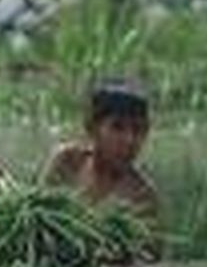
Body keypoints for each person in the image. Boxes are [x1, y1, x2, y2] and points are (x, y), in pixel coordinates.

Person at [42, 78, 160, 224]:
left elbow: (147, 246)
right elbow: (41, 218)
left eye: (137, 129)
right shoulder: (66, 162)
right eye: (117, 127)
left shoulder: (141, 196)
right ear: (92, 128)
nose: (129, 140)